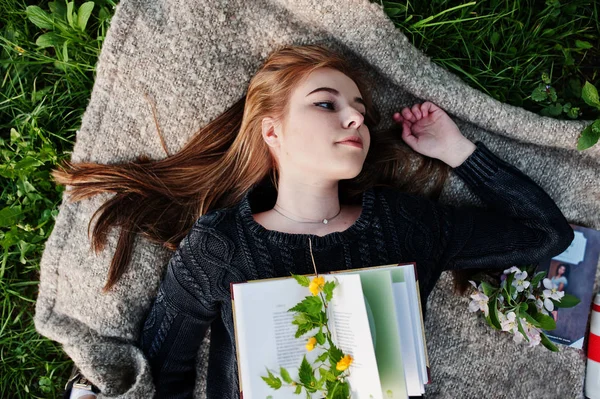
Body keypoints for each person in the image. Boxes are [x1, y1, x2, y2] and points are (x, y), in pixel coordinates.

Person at [52, 44, 574, 398]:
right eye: (326, 104)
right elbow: (166, 370)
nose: (355, 118)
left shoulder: (406, 226)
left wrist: (457, 151)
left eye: (361, 111)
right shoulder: (221, 245)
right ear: (271, 131)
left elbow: (545, 235)